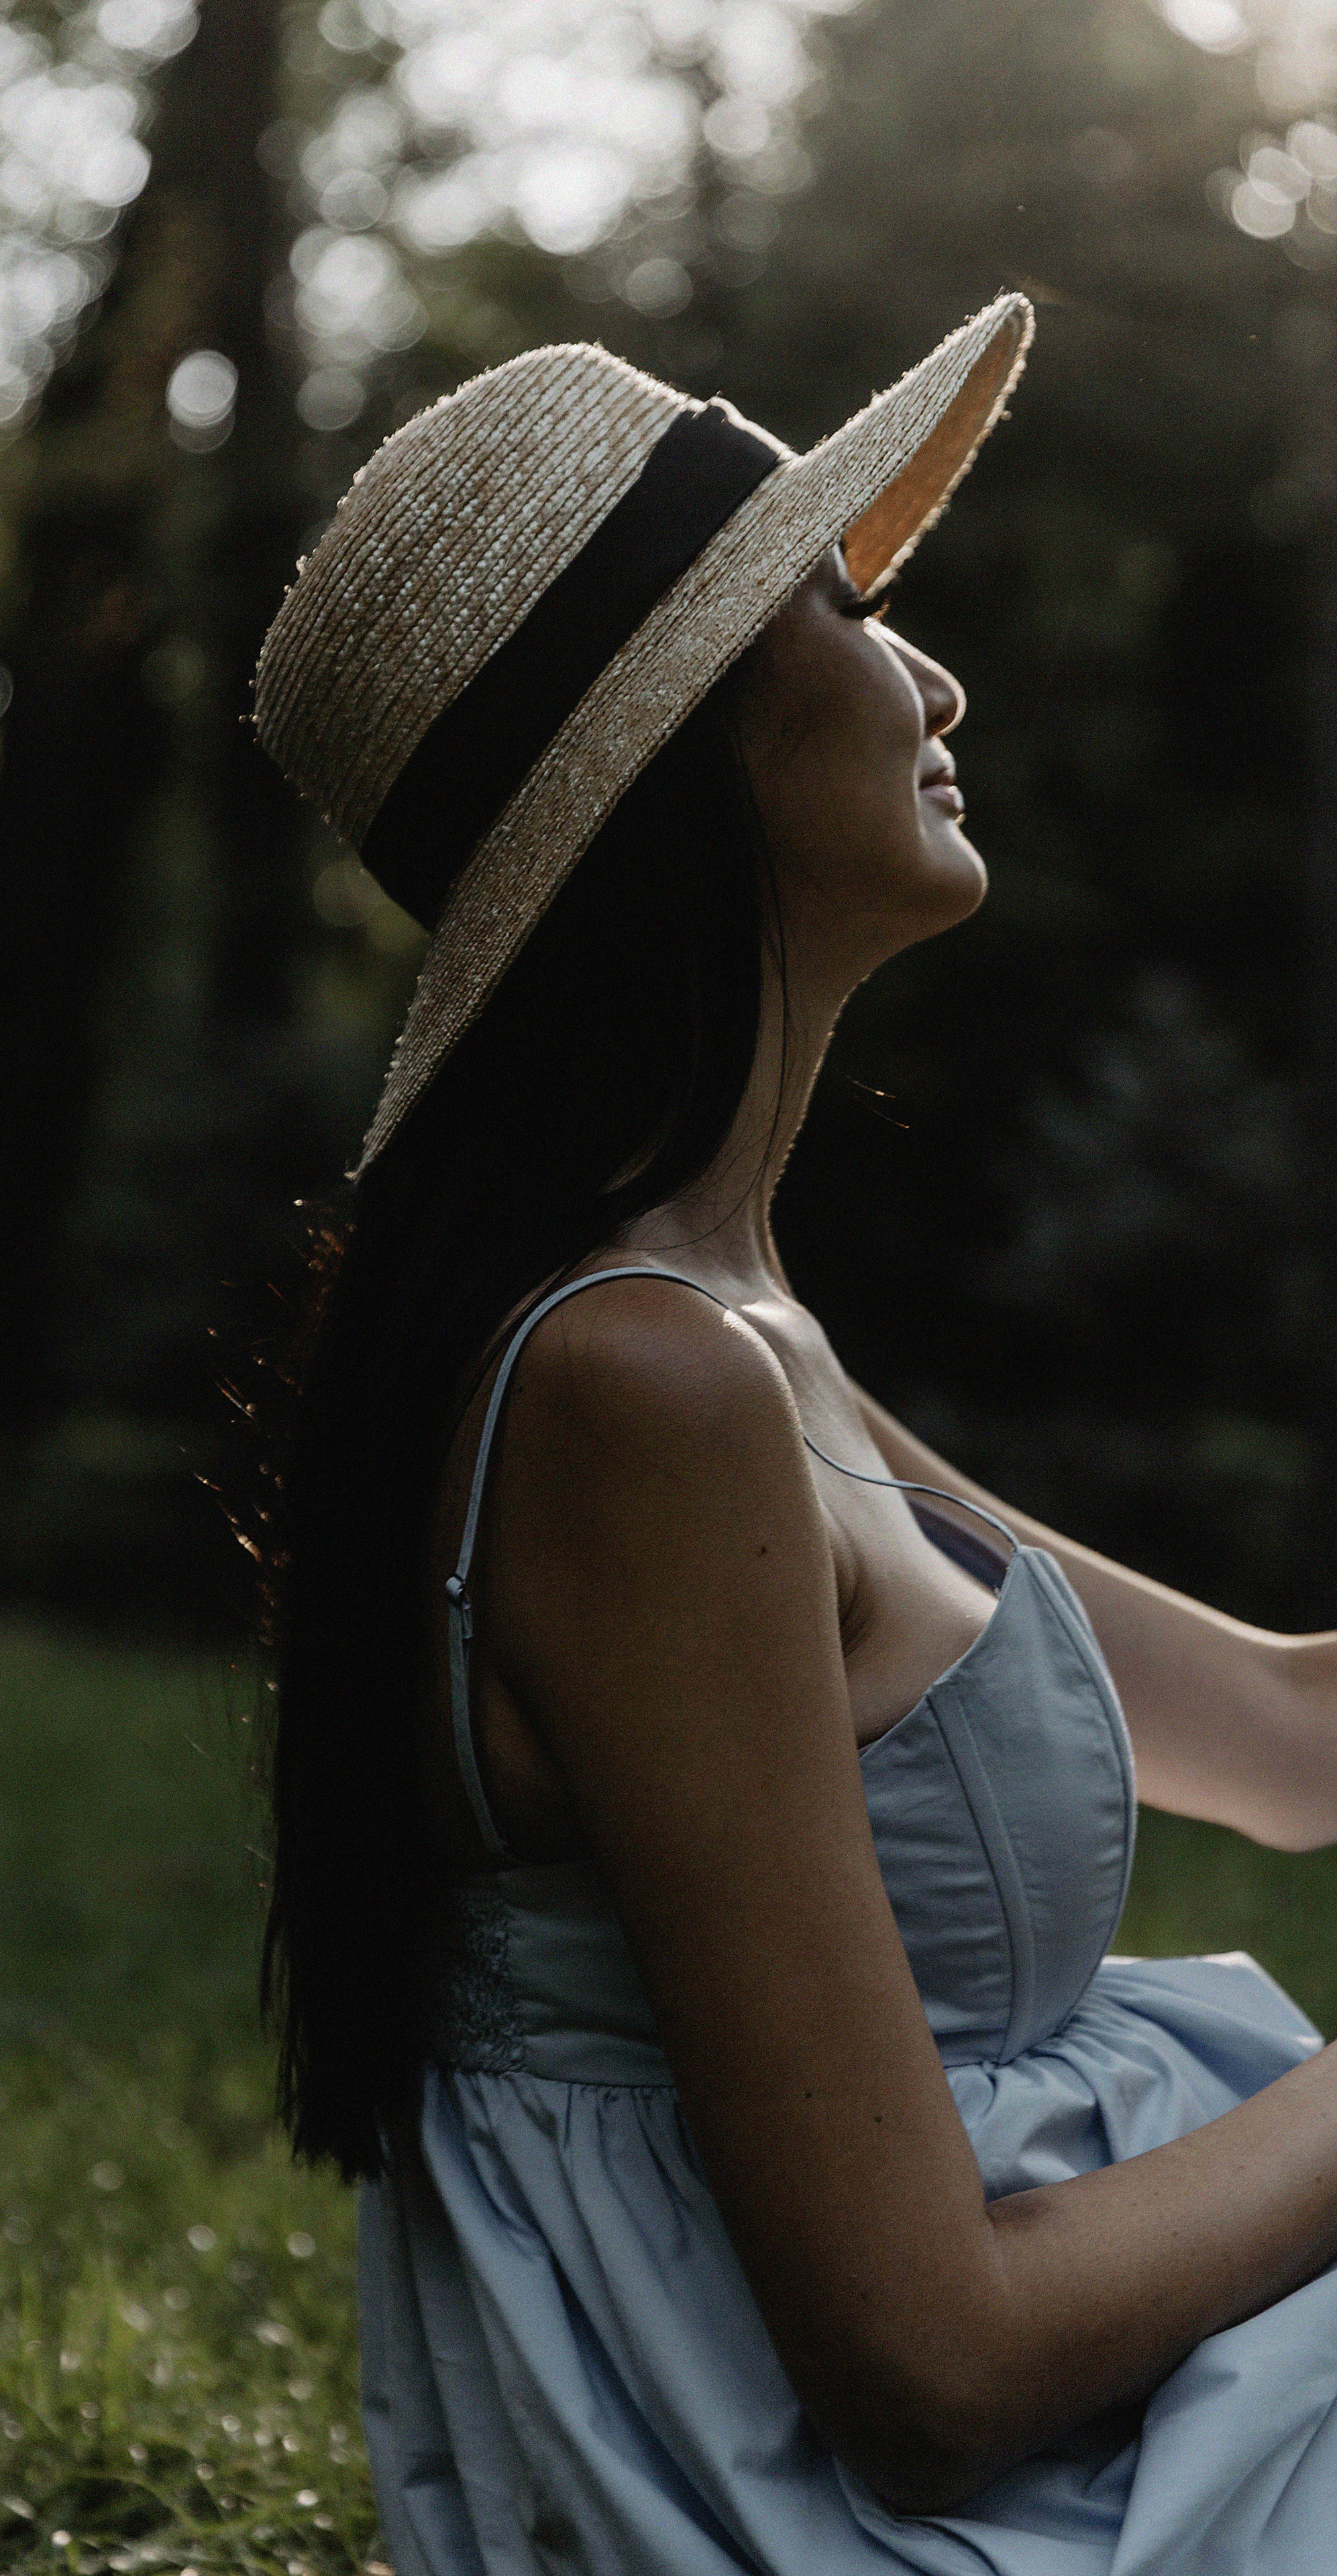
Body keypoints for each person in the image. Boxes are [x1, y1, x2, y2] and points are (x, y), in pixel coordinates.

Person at [248, 297, 1337, 2574]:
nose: (933, 681)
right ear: (672, 756)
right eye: (851, 609)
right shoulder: (636, 1396)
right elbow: (928, 2376)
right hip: (929, 2511)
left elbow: (1290, 1736)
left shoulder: (739, 1344)